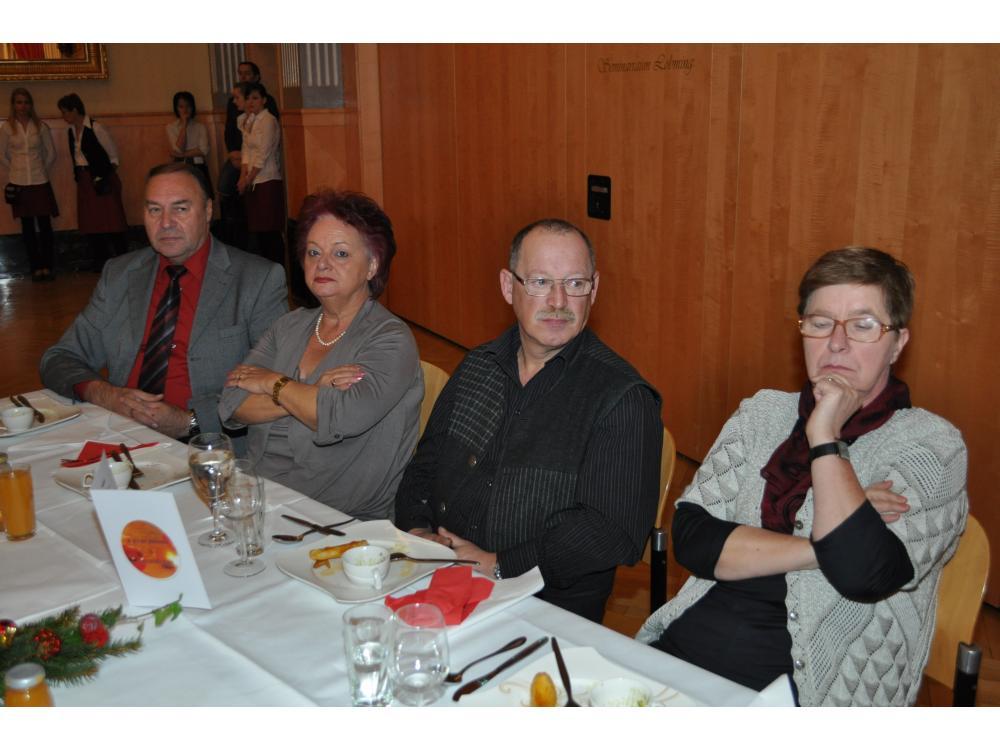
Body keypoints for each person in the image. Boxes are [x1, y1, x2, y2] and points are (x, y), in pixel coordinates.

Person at [638, 247, 968, 706]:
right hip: (687, 648)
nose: (837, 343)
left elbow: (863, 573)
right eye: (820, 322)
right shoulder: (761, 413)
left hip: (812, 693)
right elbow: (694, 540)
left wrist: (824, 436)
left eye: (862, 325)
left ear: (897, 343)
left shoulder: (932, 447)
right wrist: (825, 544)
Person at [394, 218, 663, 623]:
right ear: (508, 286)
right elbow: (425, 466)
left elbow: (610, 533)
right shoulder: (478, 366)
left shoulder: (623, 399)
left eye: (575, 283)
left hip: (544, 610)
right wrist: (418, 532)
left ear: (594, 290)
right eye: (539, 282)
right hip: (439, 578)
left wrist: (499, 564)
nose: (558, 300)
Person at [40, 162, 288, 448]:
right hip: (124, 441)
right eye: (154, 210)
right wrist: (105, 395)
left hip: (212, 450)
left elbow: (278, 388)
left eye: (180, 208)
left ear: (208, 211)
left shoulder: (257, 280)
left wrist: (189, 421)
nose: (166, 223)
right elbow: (58, 358)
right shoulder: (120, 275)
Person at [219, 190, 422, 520]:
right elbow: (231, 402)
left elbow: (341, 416)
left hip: (336, 518)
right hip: (257, 496)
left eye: (340, 253)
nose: (322, 263)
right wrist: (311, 392)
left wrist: (272, 382)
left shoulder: (390, 339)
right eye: (313, 252)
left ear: (372, 266)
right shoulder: (289, 326)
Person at [56, 93, 129, 272]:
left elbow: (113, 156)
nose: (63, 116)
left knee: (111, 220)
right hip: (84, 180)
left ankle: (122, 258)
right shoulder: (71, 131)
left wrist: (103, 176)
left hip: (101, 178)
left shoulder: (96, 128)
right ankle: (100, 259)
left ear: (75, 110)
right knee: (91, 222)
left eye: (65, 112)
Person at [0, 88, 59, 282]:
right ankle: (35, 268)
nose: (22, 106)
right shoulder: (7, 128)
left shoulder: (40, 126)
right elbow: (2, 154)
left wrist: (41, 168)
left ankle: (48, 266)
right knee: (27, 228)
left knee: (45, 225)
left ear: (31, 105)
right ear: (13, 105)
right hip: (19, 182)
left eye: (26, 102)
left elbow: (51, 153)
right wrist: (15, 168)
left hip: (39, 180)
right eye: (19, 102)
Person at [236, 81, 286, 267]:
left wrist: (248, 179)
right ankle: (266, 272)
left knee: (270, 232)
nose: (251, 102)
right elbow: (246, 151)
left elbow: (262, 155)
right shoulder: (249, 120)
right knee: (258, 231)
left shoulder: (268, 120)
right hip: (253, 181)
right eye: (248, 98)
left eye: (255, 98)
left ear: (264, 100)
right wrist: (242, 176)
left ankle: (278, 270)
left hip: (267, 179)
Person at [166, 91, 211, 190]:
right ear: (176, 108)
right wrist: (184, 125)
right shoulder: (171, 127)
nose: (185, 110)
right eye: (181, 107)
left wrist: (181, 155)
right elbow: (178, 149)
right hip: (179, 165)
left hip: (197, 164)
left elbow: (203, 150)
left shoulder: (200, 127)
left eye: (188, 106)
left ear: (192, 107)